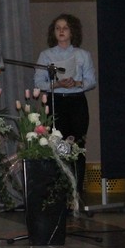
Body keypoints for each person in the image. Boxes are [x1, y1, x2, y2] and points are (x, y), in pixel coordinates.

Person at [33, 13, 97, 194]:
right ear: (53, 32)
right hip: (56, 102)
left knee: (77, 147)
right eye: (57, 28)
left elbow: (91, 81)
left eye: (65, 28)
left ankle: (76, 193)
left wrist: (76, 83)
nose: (61, 31)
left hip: (77, 102)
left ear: (72, 31)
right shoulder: (46, 55)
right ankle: (58, 192)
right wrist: (57, 84)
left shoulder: (82, 55)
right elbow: (38, 82)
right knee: (56, 146)